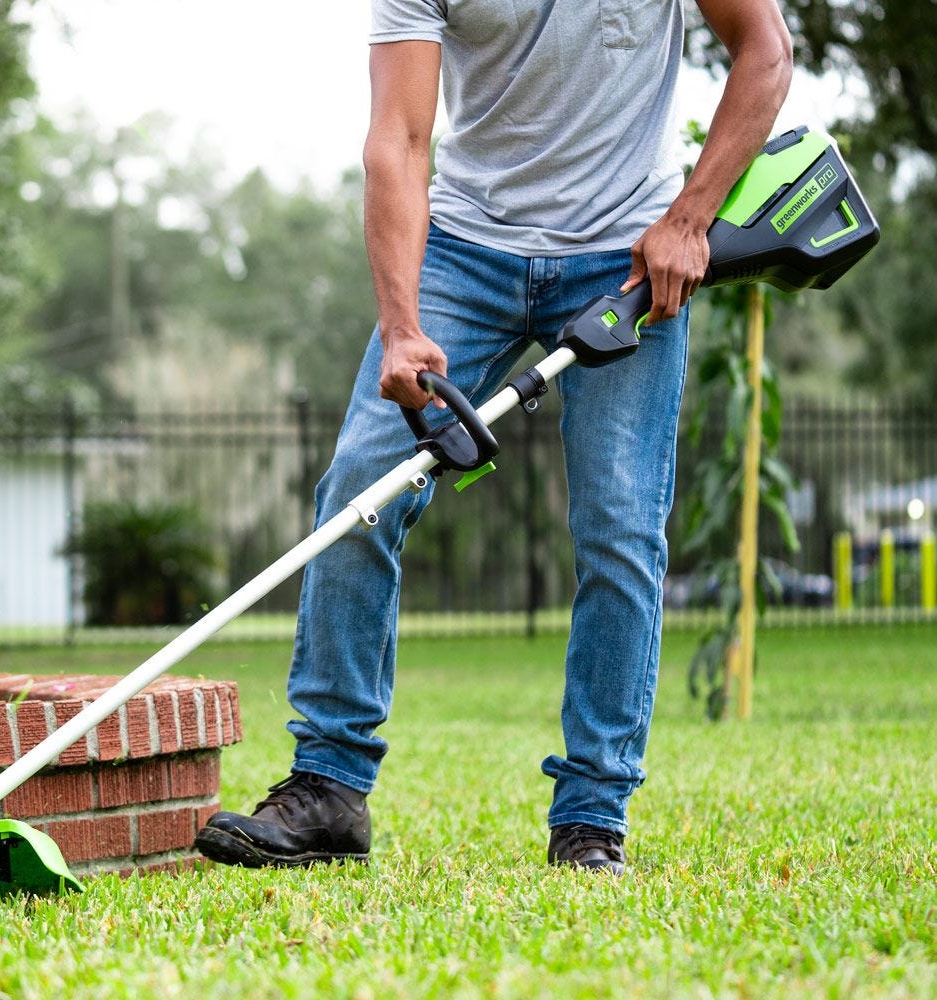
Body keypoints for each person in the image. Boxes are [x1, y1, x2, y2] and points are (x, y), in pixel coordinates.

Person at [195, 0, 793, 874]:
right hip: (462, 251)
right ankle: (328, 786)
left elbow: (766, 48)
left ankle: (592, 815)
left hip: (625, 254)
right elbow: (398, 138)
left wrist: (690, 218)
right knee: (362, 482)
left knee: (621, 529)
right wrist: (402, 324)